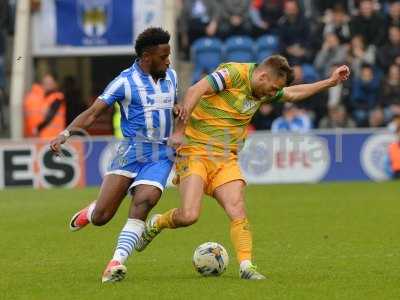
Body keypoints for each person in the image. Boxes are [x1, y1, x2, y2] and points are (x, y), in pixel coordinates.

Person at [135, 55, 350, 280]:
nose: (273, 93)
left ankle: (247, 266)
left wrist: (329, 82)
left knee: (237, 209)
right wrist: (179, 131)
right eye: (273, 88)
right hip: (195, 150)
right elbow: (194, 91)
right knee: (189, 216)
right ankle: (158, 222)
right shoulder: (233, 74)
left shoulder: (263, 89)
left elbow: (292, 93)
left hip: (226, 158)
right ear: (263, 75)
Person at [49, 27, 180, 283]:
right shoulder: (124, 81)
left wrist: (179, 119)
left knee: (146, 199)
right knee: (102, 217)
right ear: (146, 56)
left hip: (161, 153)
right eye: (163, 56)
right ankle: (92, 211)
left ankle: (116, 262)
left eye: (168, 56)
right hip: (131, 151)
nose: (168, 61)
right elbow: (93, 112)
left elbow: (176, 107)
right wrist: (65, 133)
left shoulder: (172, 76)